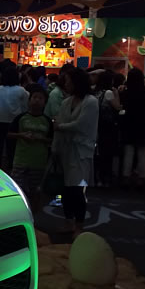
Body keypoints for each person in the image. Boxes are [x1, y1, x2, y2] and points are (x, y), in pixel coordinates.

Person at [52, 67, 99, 238]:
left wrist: (61, 127)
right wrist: (55, 148)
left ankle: (79, 225)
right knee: (66, 189)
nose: (66, 84)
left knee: (77, 190)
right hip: (66, 150)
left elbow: (81, 125)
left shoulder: (91, 102)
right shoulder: (67, 101)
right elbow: (61, 123)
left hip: (81, 151)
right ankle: (68, 222)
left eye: (68, 81)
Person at [8, 85, 53, 215]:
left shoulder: (47, 121)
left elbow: (51, 139)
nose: (37, 100)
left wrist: (41, 139)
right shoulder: (20, 118)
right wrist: (21, 135)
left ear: (45, 102)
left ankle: (33, 215)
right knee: (17, 188)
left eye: (40, 98)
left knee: (35, 191)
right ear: (29, 100)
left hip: (38, 161)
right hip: (20, 159)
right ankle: (18, 213)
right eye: (34, 97)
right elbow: (9, 134)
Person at [0, 66, 29, 169]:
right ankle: (11, 170)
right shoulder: (21, 90)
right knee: (12, 149)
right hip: (14, 123)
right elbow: (25, 106)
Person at [120, 68, 145, 185]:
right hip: (142, 125)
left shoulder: (126, 93)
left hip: (129, 125)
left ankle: (126, 177)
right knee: (142, 152)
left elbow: (123, 108)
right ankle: (141, 178)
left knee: (129, 152)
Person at [93, 69, 121, 187]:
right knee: (107, 153)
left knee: (98, 153)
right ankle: (105, 178)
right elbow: (117, 107)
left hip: (96, 124)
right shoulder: (109, 93)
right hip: (107, 127)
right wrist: (117, 94)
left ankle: (97, 178)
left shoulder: (95, 92)